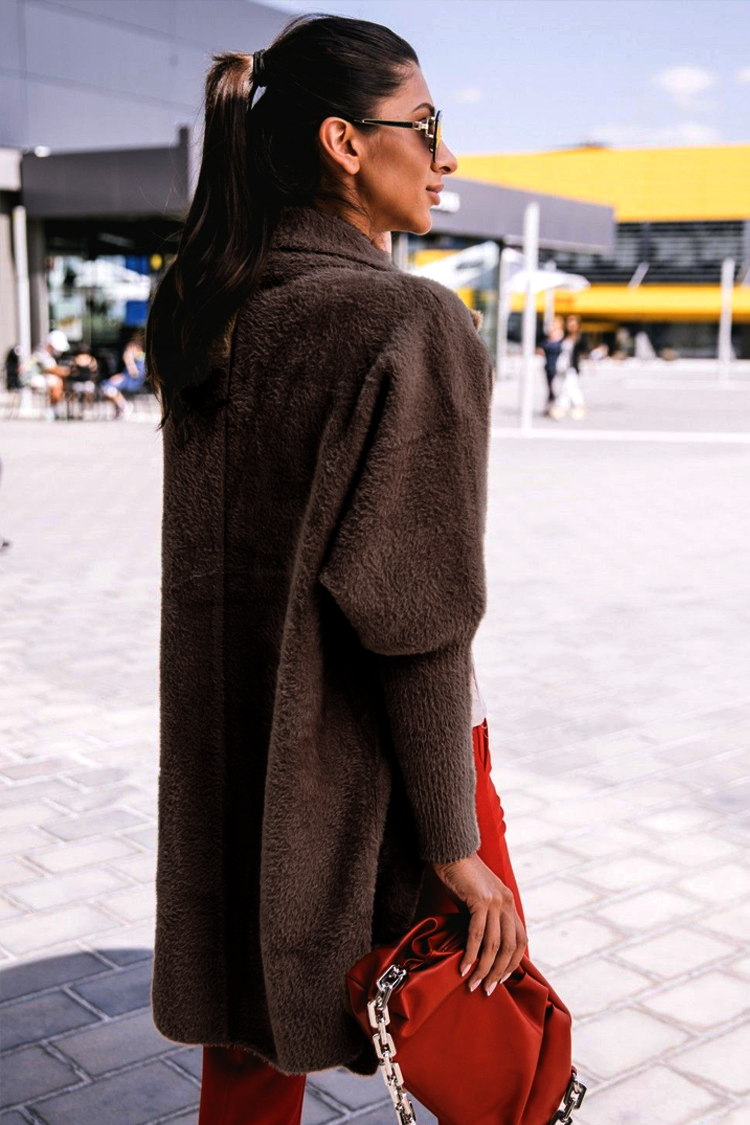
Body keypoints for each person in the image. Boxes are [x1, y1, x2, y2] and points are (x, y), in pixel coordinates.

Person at [146, 15, 531, 1122]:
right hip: (393, 753)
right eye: (427, 123)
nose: (447, 154)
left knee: (248, 1043)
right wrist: (453, 843)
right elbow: (418, 617)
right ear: (346, 142)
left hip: (234, 757)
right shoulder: (410, 322)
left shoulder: (213, 304)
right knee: (492, 1035)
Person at [19, 330, 71, 419]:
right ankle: (50, 409)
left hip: (36, 377)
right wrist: (70, 371)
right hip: (28, 379)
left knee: (57, 381)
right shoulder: (40, 353)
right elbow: (52, 369)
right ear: (50, 345)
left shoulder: (45, 353)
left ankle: (53, 408)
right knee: (56, 381)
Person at [549, 313, 590, 421]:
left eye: (573, 324)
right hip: (561, 366)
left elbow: (583, 351)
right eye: (569, 323)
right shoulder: (564, 337)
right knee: (564, 386)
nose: (571, 326)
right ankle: (565, 406)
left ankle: (575, 405)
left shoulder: (580, 337)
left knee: (569, 386)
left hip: (572, 367)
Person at [98, 329, 147, 419]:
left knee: (108, 386)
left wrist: (129, 360)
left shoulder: (140, 355)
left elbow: (134, 373)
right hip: (128, 378)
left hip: (133, 381)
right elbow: (127, 373)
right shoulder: (134, 353)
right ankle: (121, 405)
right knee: (106, 385)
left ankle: (124, 406)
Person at [537, 314, 565, 416]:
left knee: (557, 388)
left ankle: (557, 408)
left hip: (559, 367)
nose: (552, 326)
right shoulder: (546, 338)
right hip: (548, 366)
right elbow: (540, 348)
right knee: (549, 388)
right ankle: (549, 407)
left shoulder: (563, 339)